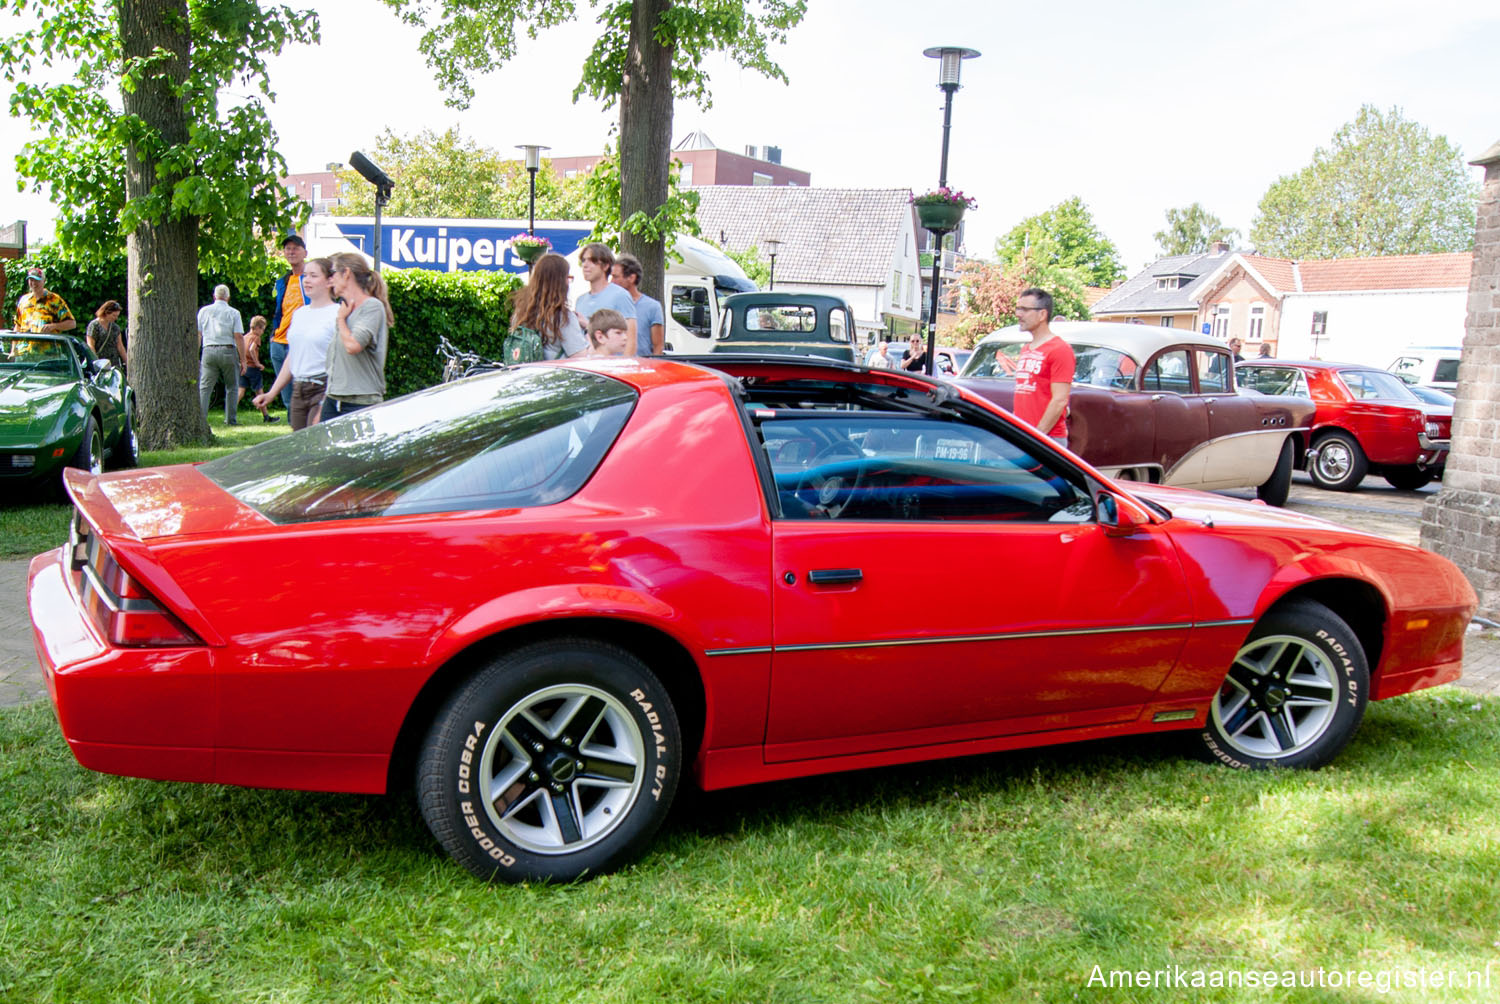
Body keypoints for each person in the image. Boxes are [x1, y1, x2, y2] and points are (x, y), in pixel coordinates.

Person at [255, 258, 339, 429]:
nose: (306, 280)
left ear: (330, 281)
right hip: (298, 389)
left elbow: (343, 361)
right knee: (302, 447)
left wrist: (327, 399)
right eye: (305, 275)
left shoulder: (338, 313)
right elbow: (293, 356)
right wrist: (271, 393)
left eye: (313, 275)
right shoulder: (299, 314)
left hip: (324, 389)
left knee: (317, 445)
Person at [321, 253, 393, 421]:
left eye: (333, 274)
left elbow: (353, 346)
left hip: (361, 402)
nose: (330, 280)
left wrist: (340, 320)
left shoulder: (372, 307)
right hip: (334, 399)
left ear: (346, 274)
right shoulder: (345, 309)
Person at [1013, 287, 1075, 449]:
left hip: (1047, 439)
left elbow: (1060, 400)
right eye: (1018, 308)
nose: (1018, 314)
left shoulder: (1060, 349)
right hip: (1024, 435)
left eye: (1025, 309)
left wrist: (1037, 436)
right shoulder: (1026, 349)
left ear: (1042, 314)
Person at [511, 252, 587, 360]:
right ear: (559, 282)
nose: (568, 283)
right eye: (567, 278)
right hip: (554, 375)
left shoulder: (521, 312)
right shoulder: (563, 318)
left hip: (525, 374)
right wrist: (589, 329)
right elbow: (580, 358)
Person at [267, 234, 308, 411]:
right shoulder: (281, 282)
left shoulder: (311, 279)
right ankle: (294, 433)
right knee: (287, 396)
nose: (291, 252)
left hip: (300, 343)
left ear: (305, 252)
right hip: (279, 343)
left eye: (295, 248)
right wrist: (273, 335)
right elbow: (278, 311)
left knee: (303, 393)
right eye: (288, 249)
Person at [197, 284, 246, 425]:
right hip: (228, 350)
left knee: (205, 387)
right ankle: (230, 419)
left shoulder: (203, 311)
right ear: (228, 297)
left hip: (208, 349)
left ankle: (201, 420)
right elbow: (238, 336)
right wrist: (243, 360)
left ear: (214, 296)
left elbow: (198, 335)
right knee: (232, 386)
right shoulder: (234, 313)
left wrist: (196, 354)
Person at [575, 243, 636, 348]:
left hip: (613, 363)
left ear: (606, 266)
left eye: (592, 261)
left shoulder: (620, 296)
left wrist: (588, 325)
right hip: (585, 362)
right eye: (584, 260)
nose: (585, 265)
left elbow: (630, 340)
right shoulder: (580, 300)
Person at [610, 253, 663, 356]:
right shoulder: (610, 304)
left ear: (631, 278)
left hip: (640, 367)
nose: (612, 282)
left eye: (616, 277)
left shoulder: (653, 307)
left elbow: (658, 347)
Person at [237, 316, 280, 424]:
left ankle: (230, 414)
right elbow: (252, 349)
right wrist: (257, 363)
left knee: (240, 392)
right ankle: (266, 416)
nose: (262, 332)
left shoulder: (245, 336)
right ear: (257, 328)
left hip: (244, 368)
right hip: (253, 368)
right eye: (262, 329)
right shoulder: (256, 337)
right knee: (260, 393)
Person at [14, 266, 76, 335]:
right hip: (25, 345)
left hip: (48, 344)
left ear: (44, 281)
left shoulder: (54, 299)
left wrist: (53, 326)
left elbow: (72, 324)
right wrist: (13, 345)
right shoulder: (24, 300)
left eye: (37, 280)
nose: (34, 283)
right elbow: (18, 326)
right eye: (31, 280)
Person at [85, 300, 127, 376]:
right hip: (100, 364)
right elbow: (91, 346)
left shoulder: (115, 327)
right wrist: (97, 364)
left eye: (117, 316)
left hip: (114, 364)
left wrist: (127, 362)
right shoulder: (94, 326)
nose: (116, 318)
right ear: (106, 312)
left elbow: (120, 346)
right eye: (114, 315)